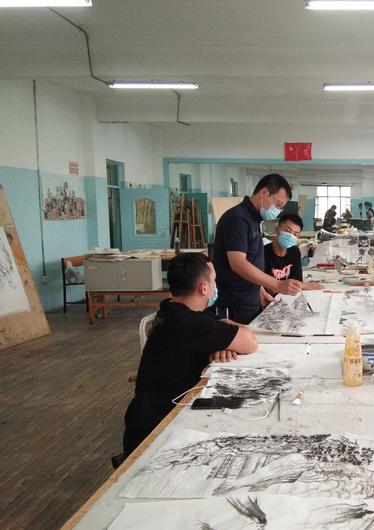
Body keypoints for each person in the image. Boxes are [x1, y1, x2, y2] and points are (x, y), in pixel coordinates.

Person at [122, 252, 258, 457]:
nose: (215, 286)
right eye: (214, 281)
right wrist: (226, 337)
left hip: (154, 414)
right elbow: (250, 341)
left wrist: (222, 342)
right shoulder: (190, 323)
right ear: (204, 288)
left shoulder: (173, 309)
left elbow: (225, 329)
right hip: (158, 432)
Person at [213, 173, 303, 324]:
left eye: (281, 207)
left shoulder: (253, 219)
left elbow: (250, 259)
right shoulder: (238, 218)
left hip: (248, 299)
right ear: (264, 193)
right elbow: (238, 264)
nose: (278, 210)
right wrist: (277, 284)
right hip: (234, 304)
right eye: (278, 204)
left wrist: (259, 288)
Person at [264, 213, 323, 291]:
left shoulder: (294, 252)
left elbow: (298, 282)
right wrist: (305, 286)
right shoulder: (263, 253)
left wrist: (302, 285)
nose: (290, 236)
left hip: (287, 296)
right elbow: (263, 287)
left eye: (295, 234)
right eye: (287, 231)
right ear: (277, 230)